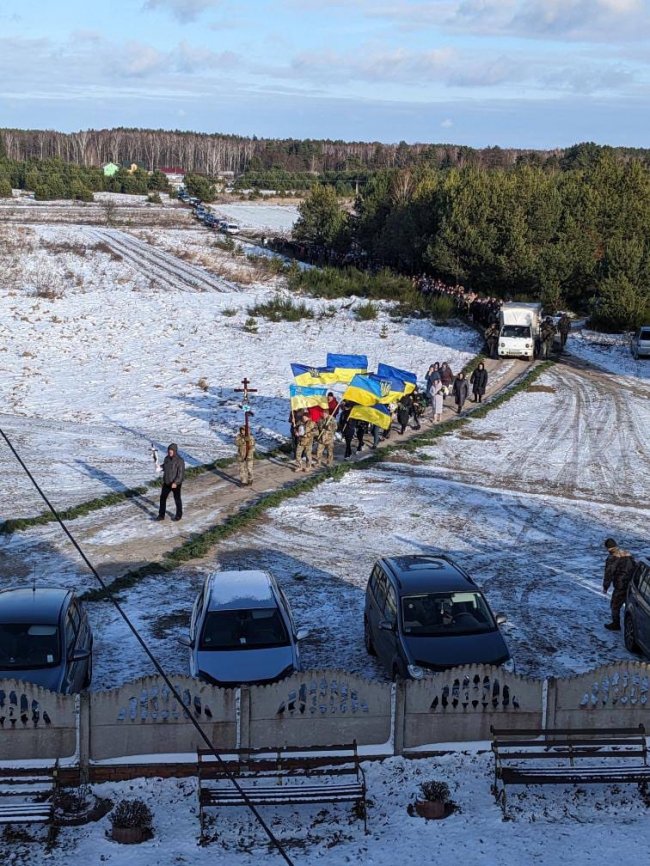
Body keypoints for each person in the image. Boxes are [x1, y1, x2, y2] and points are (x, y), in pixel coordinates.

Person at [602, 537, 635, 631]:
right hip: (632, 585)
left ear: (608, 548)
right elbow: (635, 566)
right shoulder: (627, 554)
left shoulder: (612, 558)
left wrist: (605, 587)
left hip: (621, 586)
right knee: (630, 606)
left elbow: (608, 574)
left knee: (614, 605)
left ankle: (616, 624)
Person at [157, 443, 185, 521]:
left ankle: (178, 515)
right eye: (169, 450)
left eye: (171, 450)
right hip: (167, 482)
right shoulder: (167, 459)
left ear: (175, 451)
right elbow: (165, 467)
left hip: (175, 484)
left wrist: (176, 483)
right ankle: (161, 515)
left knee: (177, 499)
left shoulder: (180, 461)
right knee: (162, 498)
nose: (170, 452)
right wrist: (160, 467)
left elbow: (181, 473)